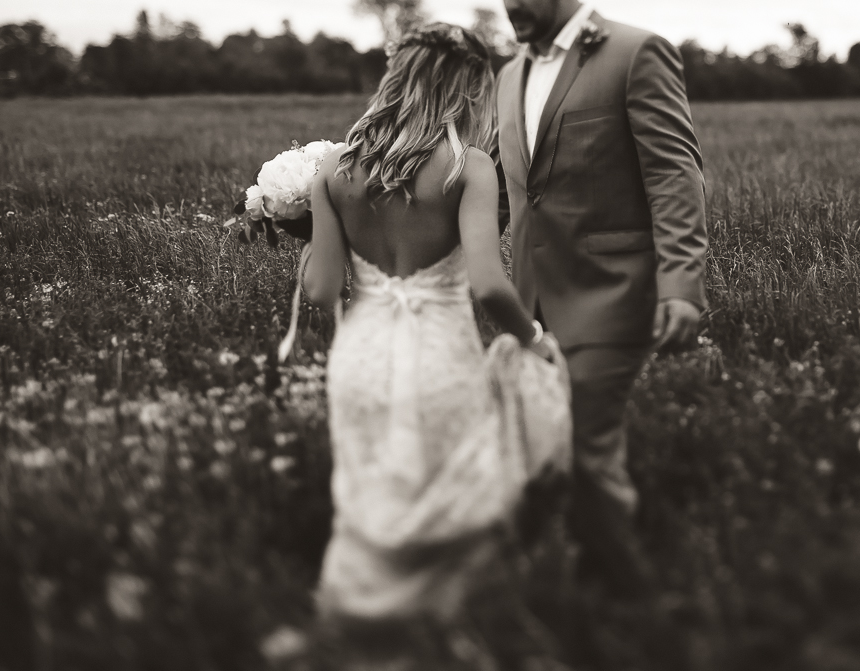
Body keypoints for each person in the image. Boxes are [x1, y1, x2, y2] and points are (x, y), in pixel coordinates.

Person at [299, 24, 572, 622]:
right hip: (440, 358)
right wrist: (533, 341)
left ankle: (357, 624)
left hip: (362, 358)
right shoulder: (468, 167)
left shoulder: (333, 169)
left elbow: (320, 289)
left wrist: (322, 257)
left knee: (371, 499)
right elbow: (488, 285)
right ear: (465, 92)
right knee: (451, 500)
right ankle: (447, 630)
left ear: (396, 80)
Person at [496, 0, 709, 589]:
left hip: (611, 290)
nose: (509, 3)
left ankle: (631, 598)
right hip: (528, 302)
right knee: (538, 456)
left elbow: (672, 174)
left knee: (586, 450)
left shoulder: (635, 52)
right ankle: (560, 589)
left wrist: (682, 286)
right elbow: (495, 191)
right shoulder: (509, 73)